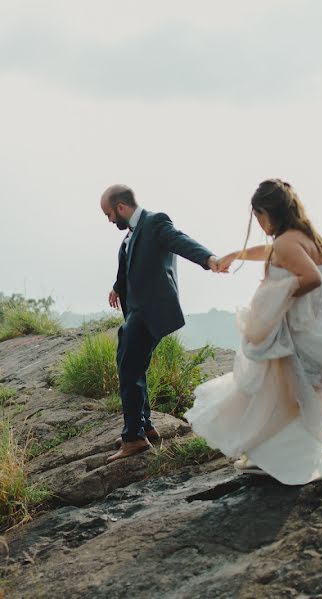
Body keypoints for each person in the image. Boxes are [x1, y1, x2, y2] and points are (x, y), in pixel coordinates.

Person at [186, 179, 322, 484]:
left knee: (268, 390)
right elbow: (273, 253)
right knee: (283, 395)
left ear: (267, 212)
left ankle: (281, 459)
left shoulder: (287, 242)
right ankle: (276, 456)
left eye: (258, 217)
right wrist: (235, 255)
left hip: (309, 340)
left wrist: (276, 295)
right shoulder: (305, 238)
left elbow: (310, 278)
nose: (258, 223)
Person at [100, 184, 220, 463]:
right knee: (130, 364)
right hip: (135, 312)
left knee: (129, 369)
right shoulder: (130, 235)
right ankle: (145, 427)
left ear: (120, 207)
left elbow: (180, 241)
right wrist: (117, 287)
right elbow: (130, 265)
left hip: (149, 311)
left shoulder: (155, 222)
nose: (109, 221)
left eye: (108, 214)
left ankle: (134, 438)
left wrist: (209, 259)